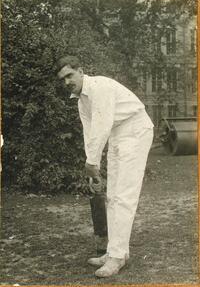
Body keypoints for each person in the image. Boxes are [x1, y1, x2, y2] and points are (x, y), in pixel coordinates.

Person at [56, 55, 154, 278]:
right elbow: (89, 133)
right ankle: (115, 251)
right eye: (62, 79)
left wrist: (92, 163)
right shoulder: (82, 100)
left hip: (136, 130)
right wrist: (93, 167)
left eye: (70, 75)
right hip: (118, 134)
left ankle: (117, 257)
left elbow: (101, 127)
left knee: (124, 196)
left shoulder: (99, 87)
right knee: (112, 196)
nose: (67, 82)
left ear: (81, 71)